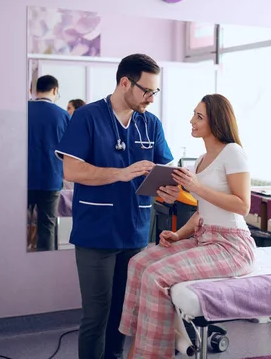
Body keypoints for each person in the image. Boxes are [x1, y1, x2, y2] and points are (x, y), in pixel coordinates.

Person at [55, 53, 176, 359]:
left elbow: (164, 170)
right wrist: (119, 174)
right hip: (96, 233)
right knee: (96, 316)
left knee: (124, 315)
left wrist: (168, 191)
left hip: (135, 231)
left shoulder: (151, 124)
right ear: (125, 83)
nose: (151, 98)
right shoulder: (88, 117)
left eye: (154, 91)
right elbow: (71, 171)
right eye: (146, 90)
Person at [119, 94, 256, 359]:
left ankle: (150, 354)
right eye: (194, 114)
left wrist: (196, 187)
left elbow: (242, 206)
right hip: (205, 238)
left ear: (216, 121)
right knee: (138, 263)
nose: (191, 121)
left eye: (199, 116)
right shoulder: (202, 159)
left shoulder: (233, 152)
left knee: (156, 274)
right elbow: (203, 211)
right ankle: (140, 343)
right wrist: (178, 234)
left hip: (233, 246)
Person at [27, 75, 70, 251]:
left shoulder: (23, 111)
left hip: (23, 178)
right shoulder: (63, 115)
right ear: (55, 90)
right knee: (47, 226)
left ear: (34, 91)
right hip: (51, 179)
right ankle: (46, 267)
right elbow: (70, 150)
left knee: (16, 227)